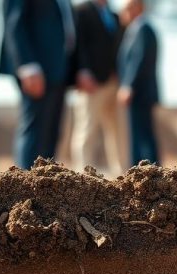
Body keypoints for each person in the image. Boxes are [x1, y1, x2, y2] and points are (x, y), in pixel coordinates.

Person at [0, 0, 76, 169]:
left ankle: (46, 187)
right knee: (35, 131)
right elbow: (14, 23)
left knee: (51, 133)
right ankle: (25, 183)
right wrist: (27, 65)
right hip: (36, 70)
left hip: (60, 70)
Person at [72, 0, 124, 175]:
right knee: (87, 129)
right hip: (91, 83)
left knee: (117, 130)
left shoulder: (114, 16)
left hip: (113, 82)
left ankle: (120, 172)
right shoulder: (82, 11)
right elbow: (78, 43)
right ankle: (84, 173)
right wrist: (82, 71)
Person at [117, 0, 160, 166]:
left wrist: (129, 85)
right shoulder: (135, 29)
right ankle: (143, 170)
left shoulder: (143, 29)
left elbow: (139, 60)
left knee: (142, 134)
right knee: (139, 134)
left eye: (126, 9)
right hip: (139, 92)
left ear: (137, 8)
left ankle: (147, 171)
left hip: (140, 92)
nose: (123, 14)